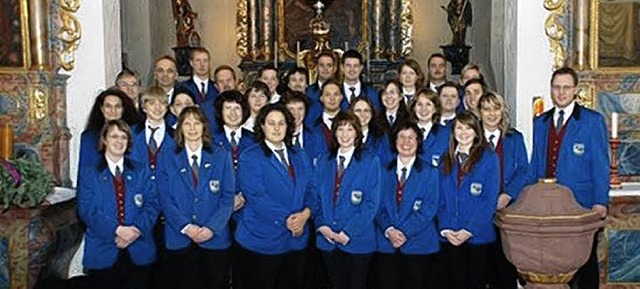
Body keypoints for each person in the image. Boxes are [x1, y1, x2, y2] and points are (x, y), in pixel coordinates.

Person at [528, 67, 609, 289]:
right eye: (556, 87)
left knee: (584, 262)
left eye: (566, 87)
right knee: (555, 263)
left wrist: (600, 201)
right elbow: (535, 163)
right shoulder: (541, 122)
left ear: (575, 90)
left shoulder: (592, 121)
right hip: (549, 207)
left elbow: (601, 165)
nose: (561, 92)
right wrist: (526, 200)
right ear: (551, 90)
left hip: (581, 205)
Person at [234, 104, 314, 289]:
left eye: (281, 123)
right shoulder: (250, 156)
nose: (277, 128)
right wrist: (290, 220)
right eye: (271, 123)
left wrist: (305, 215)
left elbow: (312, 188)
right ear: (262, 126)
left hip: (296, 239)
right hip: (262, 240)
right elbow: (256, 197)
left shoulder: (299, 154)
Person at [157, 106, 235, 289]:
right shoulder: (167, 157)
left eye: (197, 123)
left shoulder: (221, 155)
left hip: (214, 238)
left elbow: (227, 197)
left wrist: (211, 228)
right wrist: (186, 227)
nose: (192, 128)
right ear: (180, 128)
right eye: (187, 123)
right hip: (180, 237)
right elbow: (165, 198)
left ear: (204, 127)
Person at [78, 119, 159, 289]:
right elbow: (87, 210)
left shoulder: (141, 170)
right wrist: (118, 230)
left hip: (139, 249)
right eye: (114, 136)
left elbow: (153, 204)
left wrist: (135, 230)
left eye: (124, 137)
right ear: (104, 140)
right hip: (103, 249)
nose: (119, 141)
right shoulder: (90, 173)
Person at [311, 112, 381, 289]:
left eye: (350, 129)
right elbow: (315, 198)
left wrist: (348, 232)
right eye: (340, 129)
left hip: (357, 240)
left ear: (357, 134)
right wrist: (322, 226)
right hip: (327, 239)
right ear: (334, 133)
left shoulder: (370, 161)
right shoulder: (323, 161)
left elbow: (371, 203)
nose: (345, 134)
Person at [374, 121, 440, 289]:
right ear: (394, 141)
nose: (406, 142)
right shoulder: (381, 171)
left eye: (411, 138)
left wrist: (403, 232)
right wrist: (389, 230)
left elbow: (429, 207)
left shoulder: (430, 172)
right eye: (401, 137)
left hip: (419, 244)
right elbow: (376, 205)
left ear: (419, 142)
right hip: (386, 242)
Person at [438, 110, 500, 289]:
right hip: (449, 235)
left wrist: (468, 230)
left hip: (477, 236)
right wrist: (446, 229)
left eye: (468, 128)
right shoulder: (445, 160)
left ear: (476, 132)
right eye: (459, 128)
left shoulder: (489, 158)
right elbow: (439, 200)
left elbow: (489, 200)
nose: (463, 133)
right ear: (453, 131)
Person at [79, 88, 140, 178]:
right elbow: (84, 171)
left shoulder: (135, 134)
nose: (113, 111)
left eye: (117, 106)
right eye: (108, 106)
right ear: (101, 109)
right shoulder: (89, 137)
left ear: (123, 109)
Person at [409, 89, 450, 167]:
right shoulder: (404, 133)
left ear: (435, 109)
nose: (423, 109)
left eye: (428, 104)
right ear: (414, 108)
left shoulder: (446, 133)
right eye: (419, 104)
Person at [282, 90, 323, 162]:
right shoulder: (278, 138)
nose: (296, 114)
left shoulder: (316, 136)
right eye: (291, 109)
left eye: (300, 109)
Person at [306, 52, 338, 127]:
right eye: (321, 65)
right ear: (316, 67)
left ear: (334, 68)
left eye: (329, 65)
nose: (325, 69)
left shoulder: (341, 91)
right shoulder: (308, 92)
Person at [312, 79, 344, 152]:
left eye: (336, 94)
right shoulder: (313, 125)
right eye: (327, 95)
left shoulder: (351, 123)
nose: (332, 98)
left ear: (341, 97)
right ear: (321, 98)